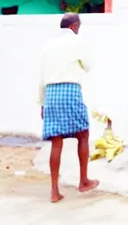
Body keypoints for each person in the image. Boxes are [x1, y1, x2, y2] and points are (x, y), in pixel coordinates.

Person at [39, 13, 99, 203]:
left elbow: (42, 77)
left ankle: (54, 191)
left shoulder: (48, 45)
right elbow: (89, 65)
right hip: (70, 90)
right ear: (74, 26)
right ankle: (83, 181)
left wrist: (42, 103)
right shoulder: (78, 41)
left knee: (56, 142)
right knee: (83, 134)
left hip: (51, 94)